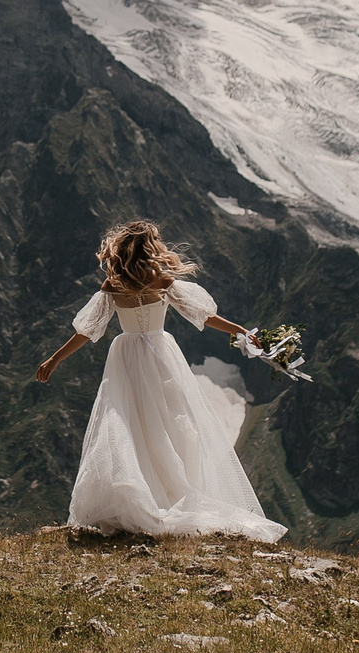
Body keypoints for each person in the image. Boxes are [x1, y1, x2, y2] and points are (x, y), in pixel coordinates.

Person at [34, 219, 286, 541]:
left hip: (126, 356)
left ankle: (137, 496)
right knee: (169, 423)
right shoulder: (161, 280)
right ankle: (168, 493)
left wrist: (55, 358)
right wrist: (241, 331)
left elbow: (87, 331)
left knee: (127, 422)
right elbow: (205, 317)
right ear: (150, 247)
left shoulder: (113, 284)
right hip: (160, 354)